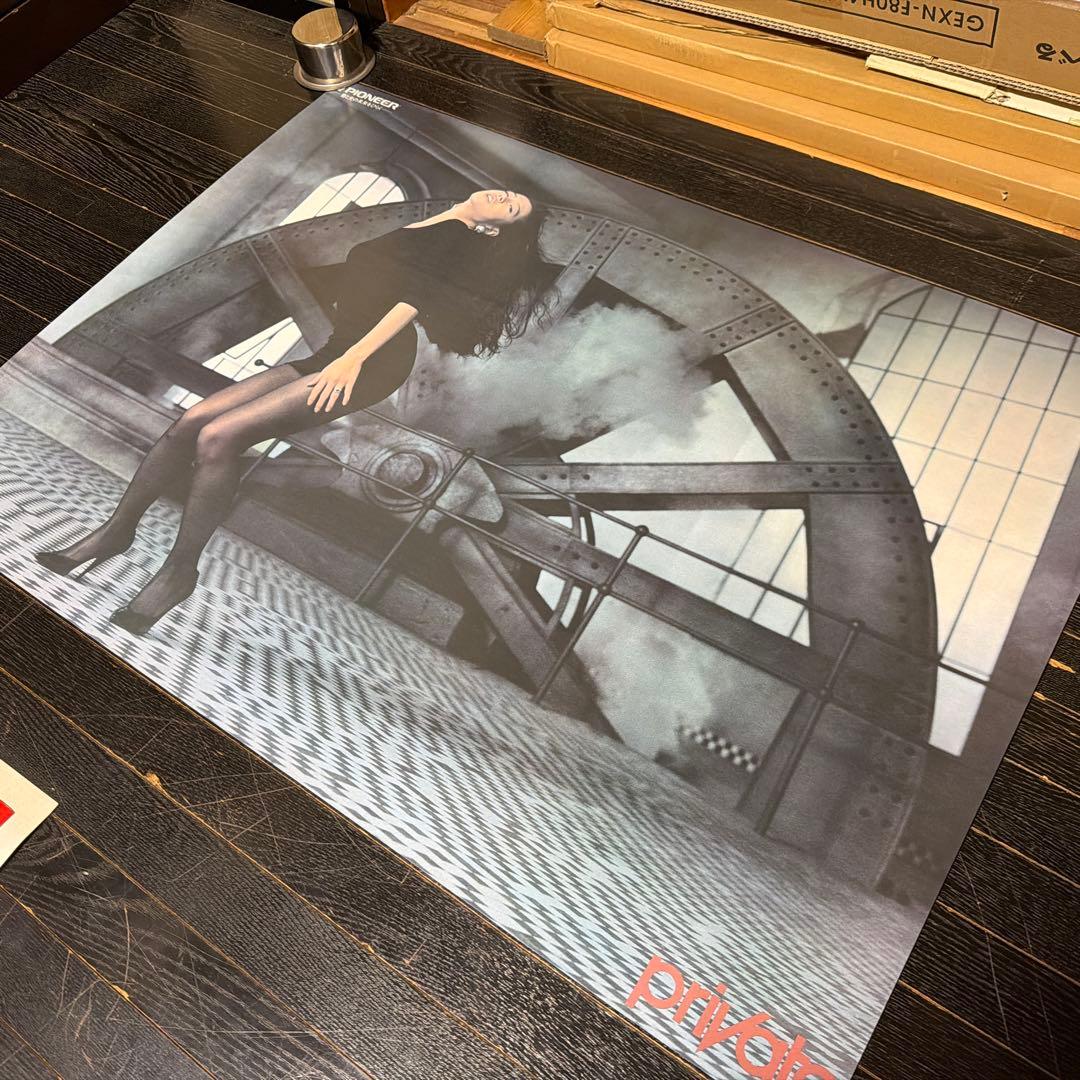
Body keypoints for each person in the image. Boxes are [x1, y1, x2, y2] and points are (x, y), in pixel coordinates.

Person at [35, 189, 552, 634]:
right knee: (190, 422)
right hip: (336, 348)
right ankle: (116, 531)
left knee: (220, 437)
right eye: (510, 193)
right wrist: (341, 344)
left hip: (367, 362)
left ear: (494, 228)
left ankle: (178, 573)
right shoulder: (429, 224)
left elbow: (410, 302)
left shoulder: (460, 239)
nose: (505, 198)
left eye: (513, 209)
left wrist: (351, 361)